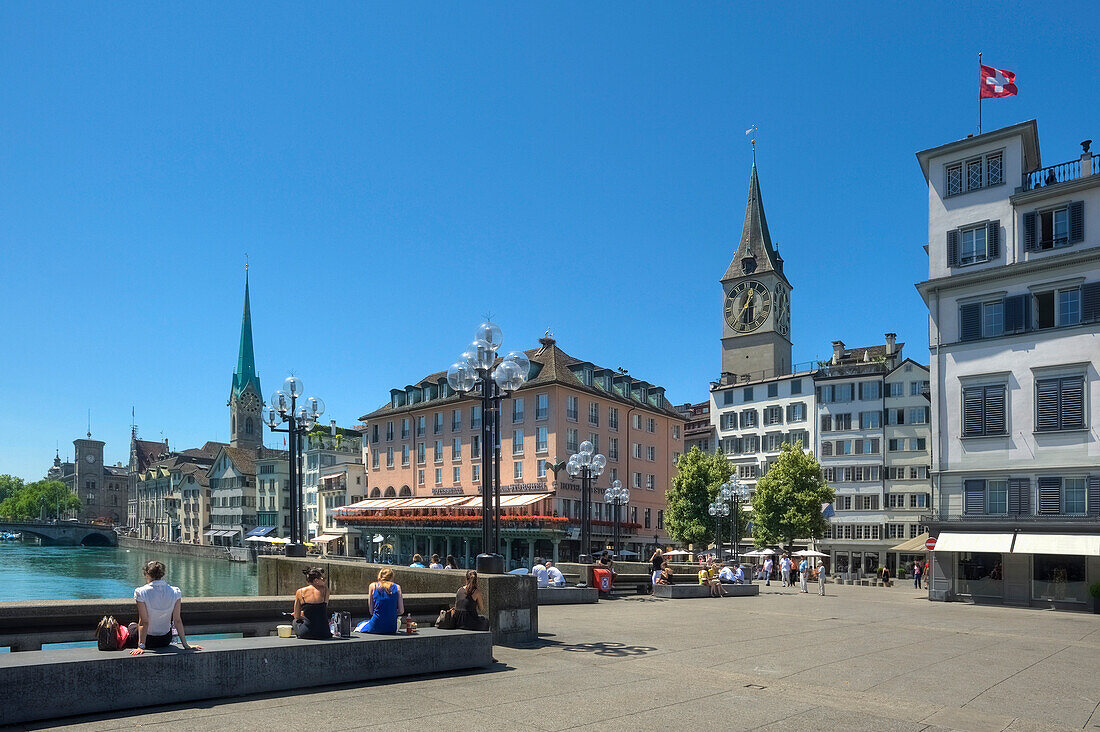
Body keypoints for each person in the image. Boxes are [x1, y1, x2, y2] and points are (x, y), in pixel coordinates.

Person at [126, 560, 202, 654]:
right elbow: (177, 620)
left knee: (131, 626)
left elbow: (144, 622)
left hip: (148, 640)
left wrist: (141, 646)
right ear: (163, 574)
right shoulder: (175, 591)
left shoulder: (141, 592)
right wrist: (185, 645)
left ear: (146, 574)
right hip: (165, 639)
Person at [356, 568, 403, 634]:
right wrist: (390, 612)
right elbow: (401, 611)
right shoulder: (397, 587)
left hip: (376, 626)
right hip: (391, 627)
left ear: (380, 575)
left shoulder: (373, 586)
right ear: (392, 577)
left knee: (359, 625)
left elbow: (371, 611)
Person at [292, 567, 331, 639]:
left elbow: (296, 616)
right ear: (316, 580)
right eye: (323, 579)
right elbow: (321, 610)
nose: (325, 581)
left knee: (295, 621)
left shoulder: (300, 592)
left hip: (307, 632)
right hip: (324, 632)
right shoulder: (326, 590)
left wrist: (302, 616)